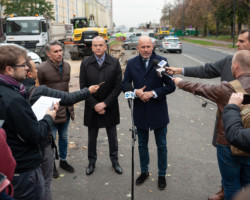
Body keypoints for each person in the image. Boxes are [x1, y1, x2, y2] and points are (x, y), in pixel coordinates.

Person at [166, 29, 250, 200]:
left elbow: (202, 88)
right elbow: (206, 69)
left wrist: (181, 83)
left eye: (241, 41)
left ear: (236, 67)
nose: (237, 44)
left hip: (242, 136)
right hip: (227, 129)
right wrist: (180, 69)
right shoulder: (229, 60)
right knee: (232, 176)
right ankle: (224, 190)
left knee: (238, 180)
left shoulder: (227, 84)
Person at [22, 57, 99, 200]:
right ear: (28, 73)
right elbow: (69, 98)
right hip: (41, 145)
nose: (37, 69)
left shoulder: (12, 90)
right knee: (45, 183)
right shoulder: (39, 91)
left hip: (20, 150)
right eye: (34, 68)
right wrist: (88, 91)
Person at [0, 45, 57, 200]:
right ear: (9, 69)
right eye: (22, 65)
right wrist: (48, 117)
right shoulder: (13, 100)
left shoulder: (11, 92)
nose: (27, 68)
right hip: (24, 171)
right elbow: (36, 134)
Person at [122, 36, 176, 190]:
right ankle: (144, 171)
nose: (146, 50)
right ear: (137, 48)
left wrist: (153, 93)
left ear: (153, 47)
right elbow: (124, 84)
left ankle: (161, 174)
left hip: (158, 111)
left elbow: (171, 86)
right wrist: (135, 92)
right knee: (142, 145)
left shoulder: (161, 61)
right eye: (142, 47)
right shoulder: (131, 63)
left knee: (162, 146)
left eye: (148, 47)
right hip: (140, 111)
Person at [79, 36, 123, 175]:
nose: (98, 47)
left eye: (101, 45)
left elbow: (118, 87)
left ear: (105, 47)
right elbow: (83, 87)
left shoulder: (114, 63)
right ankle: (91, 162)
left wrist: (105, 104)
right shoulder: (85, 63)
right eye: (95, 45)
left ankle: (115, 161)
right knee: (92, 138)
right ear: (91, 47)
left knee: (112, 137)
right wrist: (95, 105)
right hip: (92, 107)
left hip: (110, 106)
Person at [37, 40, 75, 177]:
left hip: (65, 109)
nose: (60, 53)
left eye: (60, 50)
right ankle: (51, 163)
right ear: (48, 54)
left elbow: (66, 88)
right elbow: (38, 90)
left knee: (64, 137)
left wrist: (70, 106)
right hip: (50, 112)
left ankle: (63, 161)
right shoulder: (41, 69)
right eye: (56, 51)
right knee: (50, 139)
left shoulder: (67, 66)